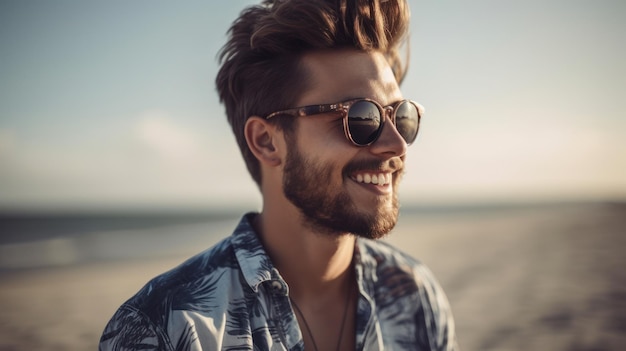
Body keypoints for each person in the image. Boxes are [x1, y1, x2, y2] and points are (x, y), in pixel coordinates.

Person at [99, 0, 458, 350]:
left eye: (401, 116)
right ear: (267, 142)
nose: (397, 145)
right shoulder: (165, 329)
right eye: (362, 119)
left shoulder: (415, 296)